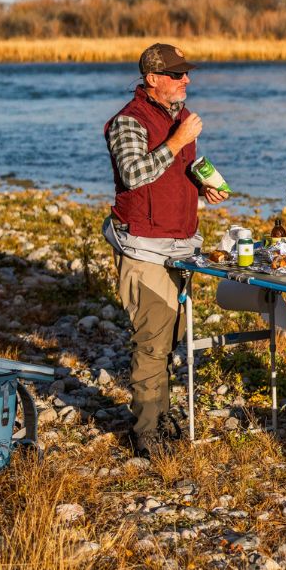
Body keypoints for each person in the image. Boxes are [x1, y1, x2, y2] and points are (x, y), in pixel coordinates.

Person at [103, 43, 228, 458]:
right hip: (143, 248)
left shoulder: (178, 119)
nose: (186, 80)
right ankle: (145, 433)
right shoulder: (128, 121)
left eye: (187, 73)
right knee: (151, 342)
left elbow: (176, 168)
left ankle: (162, 415)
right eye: (177, 75)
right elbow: (135, 175)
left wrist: (201, 183)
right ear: (152, 79)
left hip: (181, 247)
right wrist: (178, 140)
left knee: (172, 338)